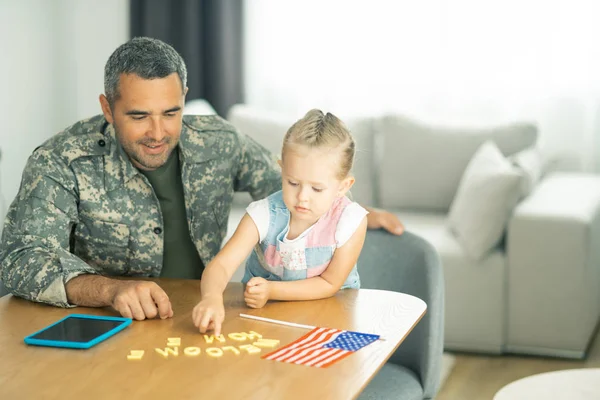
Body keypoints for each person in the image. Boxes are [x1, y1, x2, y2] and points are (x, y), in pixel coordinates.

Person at [0, 37, 403, 321]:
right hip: (111, 322)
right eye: (139, 116)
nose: (158, 132)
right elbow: (19, 259)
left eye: (171, 112)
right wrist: (111, 289)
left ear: (185, 97)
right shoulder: (62, 160)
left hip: (204, 314)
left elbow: (293, 185)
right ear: (108, 107)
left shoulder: (219, 140)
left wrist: (357, 211)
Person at [192, 109, 369, 335]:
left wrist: (272, 290)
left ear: (343, 186)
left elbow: (329, 284)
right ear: (281, 169)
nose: (302, 197)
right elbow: (222, 265)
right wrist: (211, 297)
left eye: (316, 188)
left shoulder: (350, 221)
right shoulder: (264, 214)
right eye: (293, 183)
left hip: (332, 315)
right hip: (268, 317)